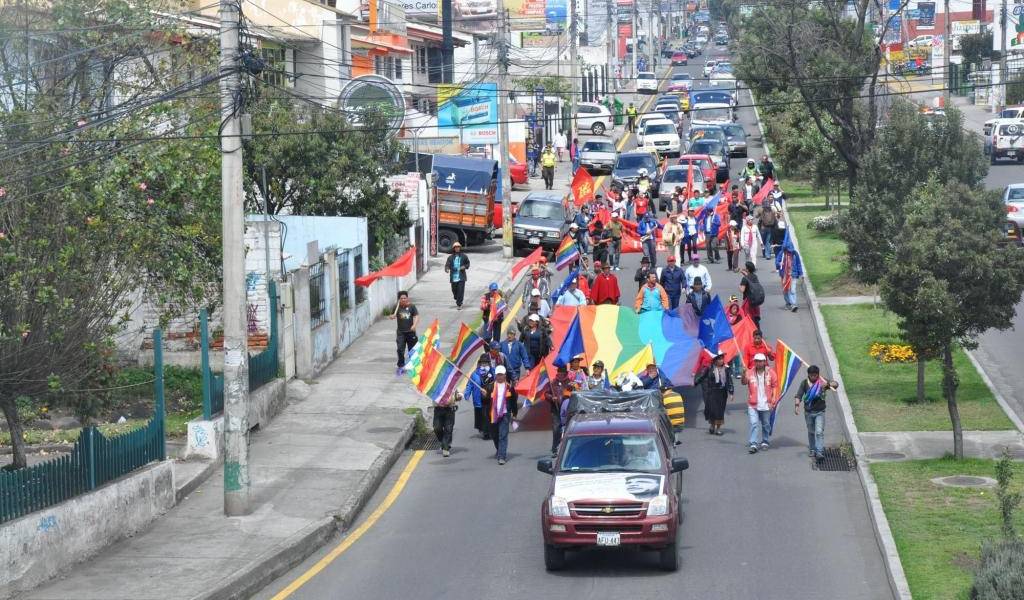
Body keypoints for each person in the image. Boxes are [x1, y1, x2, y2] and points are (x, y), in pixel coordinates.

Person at [793, 365, 840, 461]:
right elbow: (799, 395)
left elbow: (835, 384)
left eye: (815, 375)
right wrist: (797, 406)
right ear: (808, 375)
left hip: (820, 412)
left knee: (819, 432)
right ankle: (812, 449)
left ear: (818, 374)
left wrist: (827, 384)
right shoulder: (804, 383)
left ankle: (819, 452)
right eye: (811, 375)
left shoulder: (822, 381)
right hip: (809, 412)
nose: (813, 377)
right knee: (811, 432)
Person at [741, 353, 778, 454]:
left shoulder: (771, 373)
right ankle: (753, 444)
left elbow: (775, 385)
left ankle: (765, 441)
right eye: (756, 361)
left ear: (764, 362)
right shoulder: (750, 372)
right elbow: (744, 382)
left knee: (766, 424)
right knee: (754, 423)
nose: (758, 363)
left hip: (766, 404)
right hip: (753, 404)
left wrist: (774, 398)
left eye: (761, 361)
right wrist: (744, 373)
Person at [695, 351, 733, 435]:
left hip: (722, 393)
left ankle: (718, 429)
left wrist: (731, 392)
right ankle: (712, 425)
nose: (721, 360)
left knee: (720, 411)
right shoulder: (709, 368)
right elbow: (702, 377)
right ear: (715, 360)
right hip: (712, 392)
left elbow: (729, 381)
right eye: (719, 359)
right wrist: (695, 383)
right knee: (712, 410)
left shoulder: (726, 369)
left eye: (722, 358)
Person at [487, 366, 518, 465]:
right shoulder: (490, 387)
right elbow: (485, 402)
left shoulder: (509, 387)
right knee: (495, 435)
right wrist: (484, 395)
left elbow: (513, 401)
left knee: (503, 435)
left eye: (502, 375)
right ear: (496, 376)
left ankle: (502, 456)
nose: (500, 377)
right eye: (498, 375)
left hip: (505, 414)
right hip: (493, 415)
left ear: (505, 375)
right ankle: (499, 449)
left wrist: (514, 413)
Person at [546, 365, 576, 456]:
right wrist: (552, 397)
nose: (560, 375)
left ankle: (566, 449)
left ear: (566, 373)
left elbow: (574, 394)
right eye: (559, 373)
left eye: (562, 373)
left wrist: (573, 388)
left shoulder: (570, 383)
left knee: (568, 429)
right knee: (556, 429)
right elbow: (546, 394)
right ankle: (555, 448)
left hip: (567, 410)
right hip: (555, 409)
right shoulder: (552, 383)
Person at [464, 357, 494, 439]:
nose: (484, 365)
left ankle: (489, 431)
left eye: (486, 363)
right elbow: (470, 384)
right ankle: (485, 432)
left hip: (491, 398)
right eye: (483, 363)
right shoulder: (475, 374)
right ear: (479, 364)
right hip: (479, 399)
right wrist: (467, 394)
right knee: (483, 416)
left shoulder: (493, 372)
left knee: (489, 415)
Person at [390, 290, 419, 376]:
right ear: (399, 299)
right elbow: (391, 315)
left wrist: (414, 325)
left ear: (407, 298)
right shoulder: (396, 307)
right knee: (400, 349)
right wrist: (392, 316)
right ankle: (401, 366)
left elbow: (416, 316)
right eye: (401, 298)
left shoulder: (412, 306)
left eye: (404, 298)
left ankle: (413, 366)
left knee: (412, 350)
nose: (403, 300)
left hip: (411, 332)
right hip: (401, 333)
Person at [775, 231, 804, 312]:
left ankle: (793, 304)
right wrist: (779, 263)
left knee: (793, 290)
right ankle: (788, 303)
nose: (789, 251)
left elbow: (798, 264)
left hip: (793, 274)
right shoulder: (782, 253)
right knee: (785, 290)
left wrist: (801, 274)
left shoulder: (795, 254)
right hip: (784, 275)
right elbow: (777, 261)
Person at [444, 242, 469, 309]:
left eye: (458, 247)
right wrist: (446, 269)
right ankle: (456, 297)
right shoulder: (450, 257)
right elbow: (447, 265)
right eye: (455, 247)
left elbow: (468, 264)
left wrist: (464, 267)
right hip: (453, 277)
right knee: (454, 290)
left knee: (460, 291)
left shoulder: (464, 256)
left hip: (461, 277)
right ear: (454, 248)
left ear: (460, 248)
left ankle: (459, 304)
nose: (457, 248)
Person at [739, 262, 765, 328]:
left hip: (748, 301)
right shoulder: (755, 276)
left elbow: (742, 290)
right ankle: (757, 332)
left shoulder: (744, 279)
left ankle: (750, 333)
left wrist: (740, 286)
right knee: (755, 317)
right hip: (755, 300)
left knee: (747, 318)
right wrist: (745, 275)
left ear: (747, 269)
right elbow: (751, 281)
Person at [434, 388, 458, 457]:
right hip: (438, 408)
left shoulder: (451, 382)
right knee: (437, 428)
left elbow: (457, 395)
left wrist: (459, 396)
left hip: (450, 409)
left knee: (448, 429)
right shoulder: (435, 384)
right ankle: (444, 443)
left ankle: (445, 447)